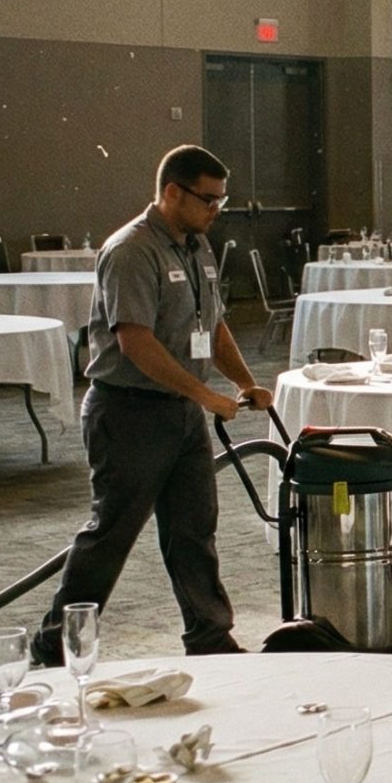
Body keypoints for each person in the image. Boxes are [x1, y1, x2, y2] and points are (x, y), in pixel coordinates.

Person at [33, 146, 270, 666]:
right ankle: (56, 646)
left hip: (181, 412)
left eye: (221, 200)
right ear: (172, 193)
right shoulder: (131, 250)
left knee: (194, 530)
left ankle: (209, 636)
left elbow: (214, 325)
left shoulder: (197, 247)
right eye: (208, 199)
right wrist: (205, 395)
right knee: (111, 536)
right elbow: (136, 342)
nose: (216, 210)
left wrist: (245, 382)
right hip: (129, 413)